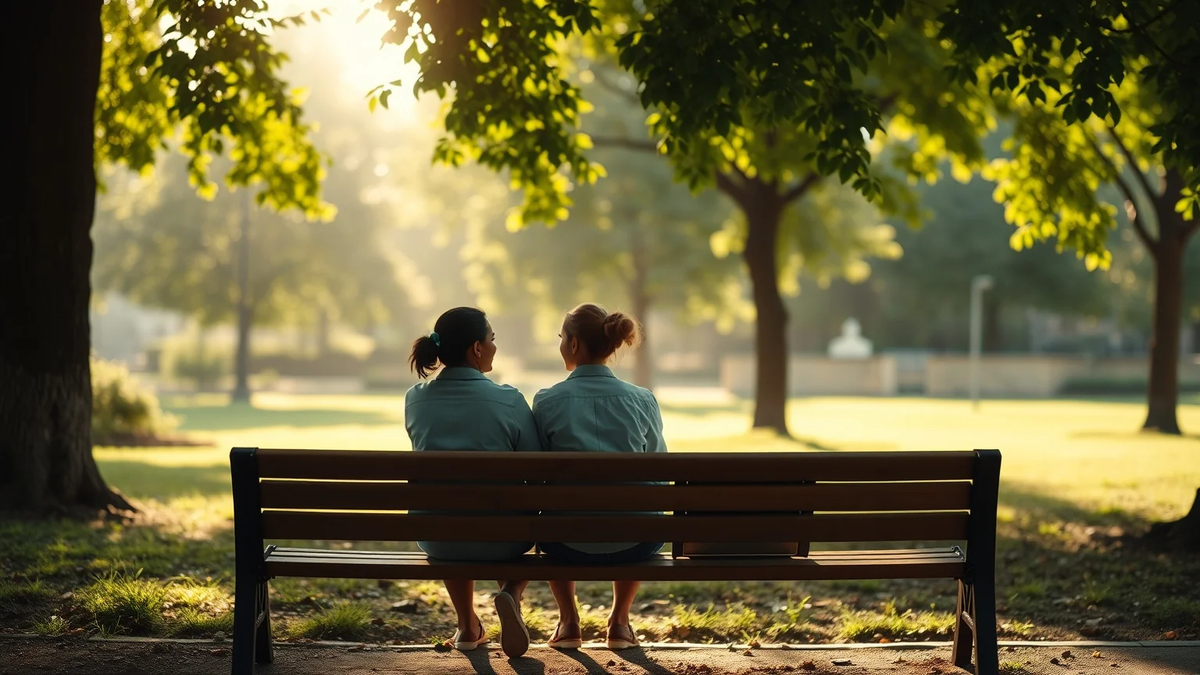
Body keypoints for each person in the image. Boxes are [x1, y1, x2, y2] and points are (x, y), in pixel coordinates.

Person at [405, 307, 540, 658]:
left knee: (448, 508)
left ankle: (467, 626)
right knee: (520, 515)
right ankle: (510, 593)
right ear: (477, 349)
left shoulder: (415, 399)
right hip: (504, 540)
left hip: (438, 537)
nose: (495, 346)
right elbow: (538, 470)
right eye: (492, 339)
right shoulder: (509, 399)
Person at [531, 303, 666, 651]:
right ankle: (620, 623)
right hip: (636, 542)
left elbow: (535, 479)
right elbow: (660, 473)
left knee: (549, 514)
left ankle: (568, 621)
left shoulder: (547, 402)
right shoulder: (642, 400)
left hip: (564, 544)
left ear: (574, 345)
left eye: (562, 337)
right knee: (640, 505)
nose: (561, 343)